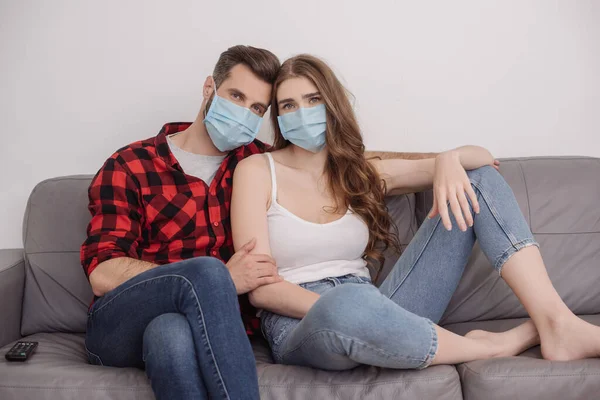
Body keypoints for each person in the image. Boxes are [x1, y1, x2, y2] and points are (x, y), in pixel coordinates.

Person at [231, 54, 600, 371]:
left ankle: (557, 323)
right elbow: (261, 291)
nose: (302, 113)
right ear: (278, 117)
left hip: (378, 305)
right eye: (288, 105)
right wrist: (360, 311)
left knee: (478, 180)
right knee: (348, 305)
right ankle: (488, 348)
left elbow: (483, 160)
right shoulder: (257, 171)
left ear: (332, 105)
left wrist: (446, 159)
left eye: (313, 100)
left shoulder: (364, 171)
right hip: (302, 324)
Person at [80, 45, 282, 400]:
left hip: (199, 328)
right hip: (118, 326)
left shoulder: (258, 163)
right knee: (207, 272)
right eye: (236, 96)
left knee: (170, 333)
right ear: (209, 89)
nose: (243, 113)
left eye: (256, 108)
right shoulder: (131, 164)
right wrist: (218, 280)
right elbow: (103, 273)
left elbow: (341, 161)